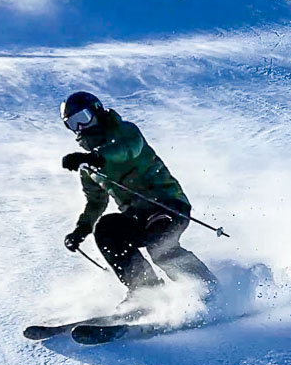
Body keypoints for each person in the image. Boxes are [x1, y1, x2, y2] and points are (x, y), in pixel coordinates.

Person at [60, 91, 217, 297]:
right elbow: (96, 202)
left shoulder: (125, 132)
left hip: (168, 205)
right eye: (73, 123)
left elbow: (128, 150)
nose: (81, 127)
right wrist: (81, 231)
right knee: (107, 229)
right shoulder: (89, 166)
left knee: (159, 247)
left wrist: (96, 158)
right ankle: (146, 292)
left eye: (83, 118)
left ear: (97, 111)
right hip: (138, 216)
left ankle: (206, 287)